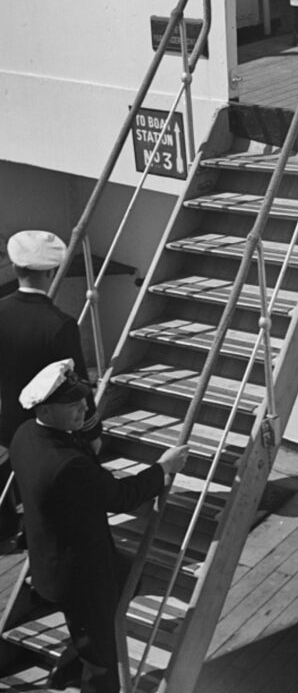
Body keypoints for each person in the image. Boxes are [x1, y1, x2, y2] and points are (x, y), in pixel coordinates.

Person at [10, 359, 189, 693]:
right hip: (80, 578)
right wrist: (163, 468)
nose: (82, 408)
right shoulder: (67, 464)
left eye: (82, 400)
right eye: (72, 404)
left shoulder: (26, 435)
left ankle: (65, 671)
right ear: (46, 411)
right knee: (102, 658)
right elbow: (120, 497)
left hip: (54, 560)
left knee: (124, 581)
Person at [0, 230, 102, 548]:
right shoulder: (59, 324)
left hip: (6, 421)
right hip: (43, 425)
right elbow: (77, 385)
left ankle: (7, 533)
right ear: (50, 272)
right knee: (43, 486)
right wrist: (93, 429)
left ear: (15, 267)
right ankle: (33, 535)